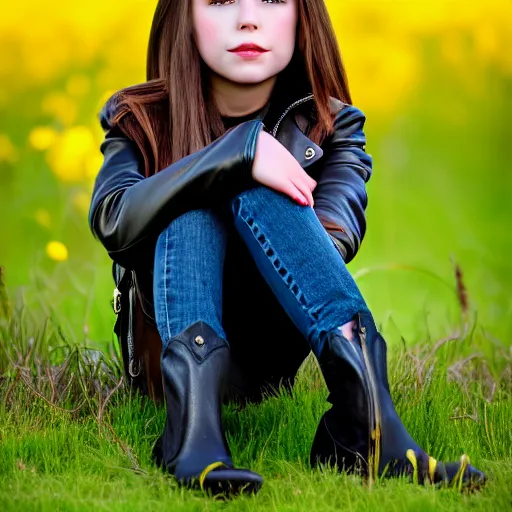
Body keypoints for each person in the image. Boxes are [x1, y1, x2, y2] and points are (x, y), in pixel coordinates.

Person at [88, 0, 485, 498]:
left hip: (269, 347)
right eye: (221, 1)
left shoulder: (333, 127)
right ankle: (192, 438)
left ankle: (370, 429)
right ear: (183, 15)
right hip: (172, 352)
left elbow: (335, 238)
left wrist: (260, 182)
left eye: (273, 0)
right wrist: (236, 153)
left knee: (265, 190)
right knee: (194, 202)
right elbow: (112, 218)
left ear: (303, 16)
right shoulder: (139, 117)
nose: (248, 19)